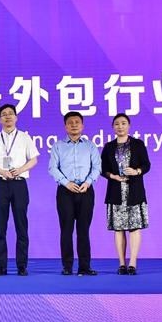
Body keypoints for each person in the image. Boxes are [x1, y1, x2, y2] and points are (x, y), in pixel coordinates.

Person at [0, 104, 39, 276]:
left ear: (16, 117)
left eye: (10, 114)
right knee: (0, 226)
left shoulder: (25, 138)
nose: (8, 116)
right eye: (4, 114)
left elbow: (34, 159)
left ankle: (22, 266)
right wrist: (2, 172)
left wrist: (20, 170)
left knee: (21, 226)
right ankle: (1, 266)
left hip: (19, 184)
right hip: (0, 184)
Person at [49, 112, 101, 276]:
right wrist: (67, 183)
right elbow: (52, 168)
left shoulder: (90, 146)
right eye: (70, 122)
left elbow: (97, 167)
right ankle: (67, 266)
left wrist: (88, 182)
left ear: (82, 126)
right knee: (66, 230)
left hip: (86, 190)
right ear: (65, 126)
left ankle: (84, 266)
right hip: (65, 191)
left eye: (77, 122)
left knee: (83, 230)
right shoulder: (58, 146)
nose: (74, 125)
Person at [101, 113, 151, 275]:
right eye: (117, 124)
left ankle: (132, 263)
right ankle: (122, 264)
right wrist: (112, 176)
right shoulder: (109, 147)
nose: (120, 126)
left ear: (129, 126)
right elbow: (102, 169)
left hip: (134, 191)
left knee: (134, 227)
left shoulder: (138, 144)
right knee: (119, 229)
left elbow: (146, 165)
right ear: (113, 127)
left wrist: (137, 171)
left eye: (123, 123)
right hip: (116, 192)